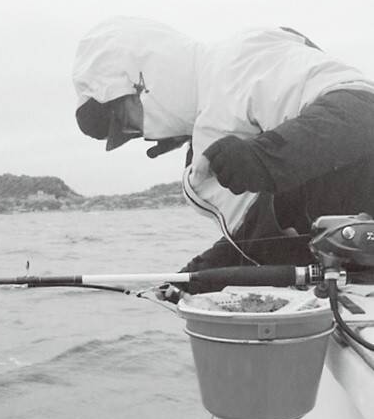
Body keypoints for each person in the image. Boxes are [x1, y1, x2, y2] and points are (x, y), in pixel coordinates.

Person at [72, 17, 374, 294]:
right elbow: (259, 236)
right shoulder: (206, 136)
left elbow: (361, 111)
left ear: (142, 80)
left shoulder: (241, 60)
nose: (141, 134)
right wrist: (192, 279)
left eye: (127, 122)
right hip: (346, 290)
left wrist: (263, 157)